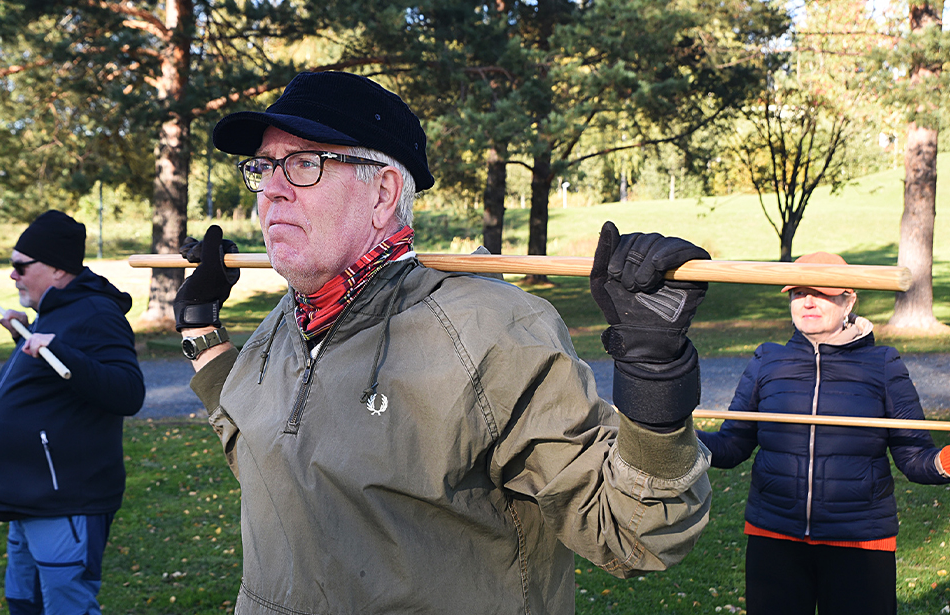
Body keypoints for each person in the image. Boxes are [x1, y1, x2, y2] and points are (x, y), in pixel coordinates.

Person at [174, 70, 713, 615]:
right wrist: (200, 328)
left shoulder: (489, 331)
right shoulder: (286, 320)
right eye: (263, 168)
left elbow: (635, 533)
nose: (271, 189)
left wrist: (654, 373)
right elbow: (269, 459)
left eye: (304, 164)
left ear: (382, 193)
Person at [697, 251, 950, 615]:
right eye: (797, 292)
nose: (807, 301)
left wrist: (945, 461)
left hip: (861, 543)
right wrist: (672, 435)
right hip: (774, 538)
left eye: (821, 292)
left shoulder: (883, 364)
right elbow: (732, 445)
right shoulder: (767, 360)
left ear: (850, 298)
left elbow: (915, 459)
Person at [0, 210, 145, 615]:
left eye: (21, 266)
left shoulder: (95, 313)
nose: (12, 276)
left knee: (66, 608)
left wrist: (61, 351)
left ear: (56, 270)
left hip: (67, 500)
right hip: (30, 499)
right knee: (25, 602)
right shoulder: (56, 312)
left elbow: (128, 392)